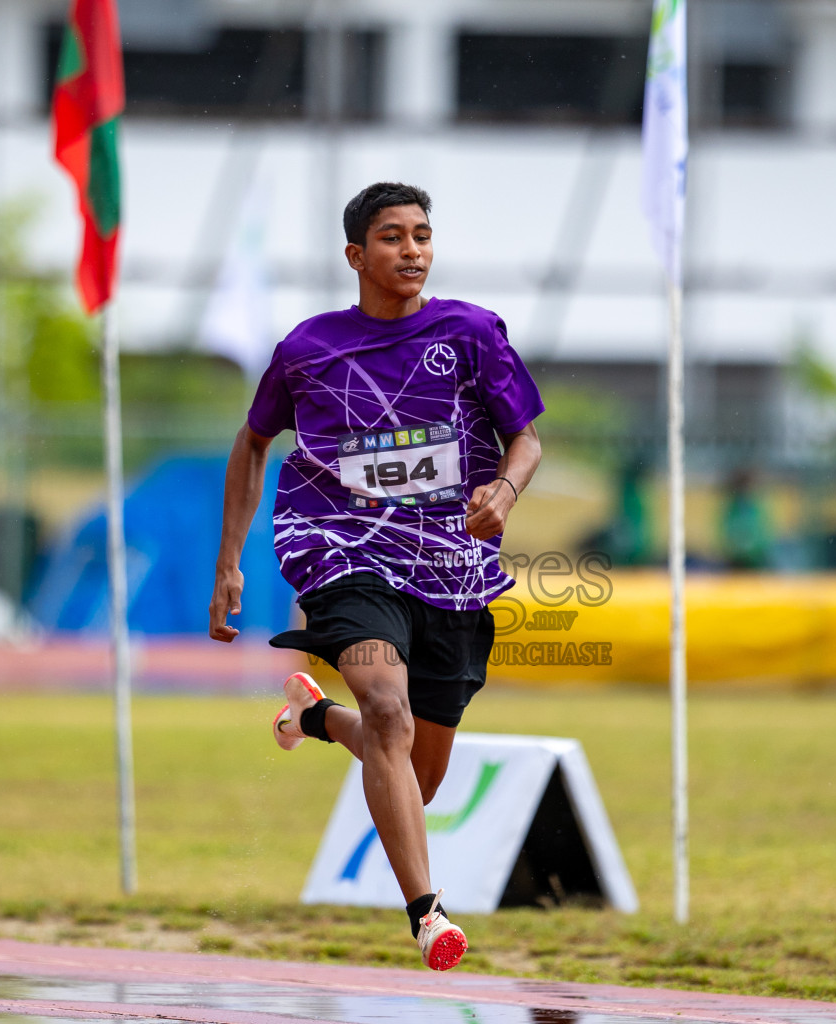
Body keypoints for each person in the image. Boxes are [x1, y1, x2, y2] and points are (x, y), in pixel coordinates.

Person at [209, 182, 544, 971]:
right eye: (393, 237)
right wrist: (229, 561)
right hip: (339, 549)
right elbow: (253, 441)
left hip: (450, 569)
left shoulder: (470, 331)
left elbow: (523, 437)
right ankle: (427, 914)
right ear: (358, 255)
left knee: (416, 780)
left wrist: (504, 488)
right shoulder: (307, 349)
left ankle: (317, 719)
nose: (413, 250)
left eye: (423, 235)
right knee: (388, 711)